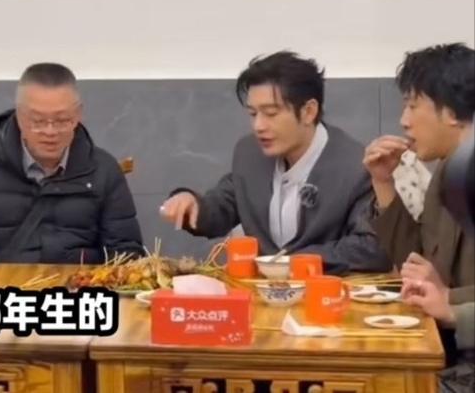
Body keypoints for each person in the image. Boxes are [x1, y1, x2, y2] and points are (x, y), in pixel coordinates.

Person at [160, 51, 390, 275]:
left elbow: (370, 248)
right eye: (253, 114)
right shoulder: (249, 153)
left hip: (328, 294)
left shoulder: (355, 166)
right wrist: (192, 204)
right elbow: (224, 204)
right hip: (262, 294)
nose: (258, 126)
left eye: (270, 113)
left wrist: (294, 262)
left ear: (309, 111)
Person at [0, 63, 144, 263]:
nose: (50, 131)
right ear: (19, 115)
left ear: (78, 115)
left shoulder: (103, 169)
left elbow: (126, 251)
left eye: (62, 120)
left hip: (79, 288)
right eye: (37, 121)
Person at [365, 43, 474, 391]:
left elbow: (441, 293)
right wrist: (384, 183)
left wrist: (452, 307)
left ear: (452, 113)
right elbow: (417, 263)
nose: (404, 121)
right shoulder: (449, 170)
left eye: (413, 105)